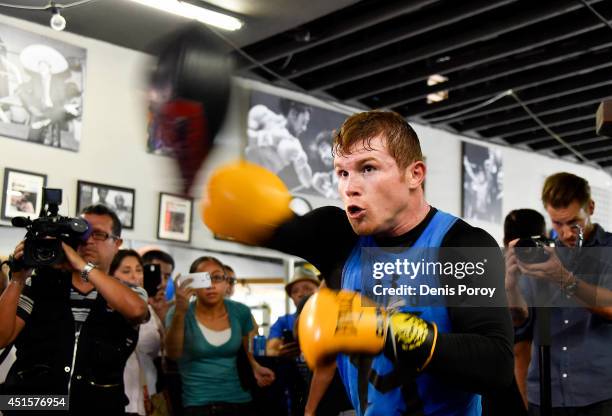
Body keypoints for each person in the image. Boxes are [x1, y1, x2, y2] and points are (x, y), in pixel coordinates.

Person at [203, 110, 514, 415]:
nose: (350, 186)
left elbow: (496, 364)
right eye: (342, 172)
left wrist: (386, 331)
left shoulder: (462, 246)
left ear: (414, 174)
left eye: (368, 168)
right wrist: (228, 206)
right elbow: (268, 227)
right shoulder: (337, 237)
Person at [0, 204, 149, 415]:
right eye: (82, 232)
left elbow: (137, 312)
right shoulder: (39, 284)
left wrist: (82, 266)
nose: (88, 240)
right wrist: (17, 279)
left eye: (98, 235)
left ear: (117, 243)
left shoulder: (130, 292)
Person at [506, 172, 612, 416]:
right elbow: (520, 323)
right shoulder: (539, 255)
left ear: (591, 208)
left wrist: (562, 278)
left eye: (574, 222)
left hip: (600, 396)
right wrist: (509, 284)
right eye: (557, 223)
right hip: (545, 394)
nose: (565, 233)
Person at [165, 255, 275, 415]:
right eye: (203, 279)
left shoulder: (240, 311)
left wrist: (254, 366)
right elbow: (173, 354)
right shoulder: (178, 313)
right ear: (192, 284)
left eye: (217, 277)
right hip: (198, 404)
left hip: (240, 400)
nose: (211, 285)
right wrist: (180, 312)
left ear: (226, 282)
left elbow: (246, 348)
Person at [111, 250, 163, 416]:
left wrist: (164, 317)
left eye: (139, 270)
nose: (135, 276)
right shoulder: (105, 307)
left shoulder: (149, 309)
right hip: (117, 394)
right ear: (110, 276)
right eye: (126, 271)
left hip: (147, 393)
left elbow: (163, 354)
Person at [245, 98, 313, 190]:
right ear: (293, 114)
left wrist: (301, 161)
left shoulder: (295, 145)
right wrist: (268, 138)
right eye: (303, 122)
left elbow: (307, 182)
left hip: (256, 188)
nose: (304, 128)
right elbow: (236, 136)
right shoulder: (262, 115)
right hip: (234, 170)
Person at [267, 265, 320, 357]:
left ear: (320, 291)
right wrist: (279, 353)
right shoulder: (283, 322)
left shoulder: (333, 318)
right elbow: (270, 351)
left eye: (307, 288)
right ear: (291, 298)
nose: (300, 294)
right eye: (295, 291)